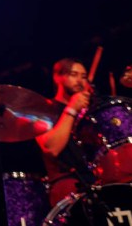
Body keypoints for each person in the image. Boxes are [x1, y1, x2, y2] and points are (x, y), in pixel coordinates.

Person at [35, 57, 95, 207]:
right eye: (73, 75)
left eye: (84, 76)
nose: (80, 81)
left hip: (97, 179)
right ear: (57, 77)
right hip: (68, 185)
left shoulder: (89, 113)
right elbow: (51, 148)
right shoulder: (44, 109)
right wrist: (72, 109)